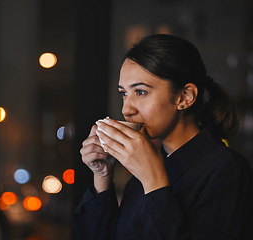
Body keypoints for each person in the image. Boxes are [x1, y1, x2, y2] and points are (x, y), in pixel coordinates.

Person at [73, 34, 253, 240]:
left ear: (185, 97)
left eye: (140, 92)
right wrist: (102, 176)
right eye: (123, 93)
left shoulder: (226, 169)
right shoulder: (152, 165)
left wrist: (153, 181)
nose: (126, 109)